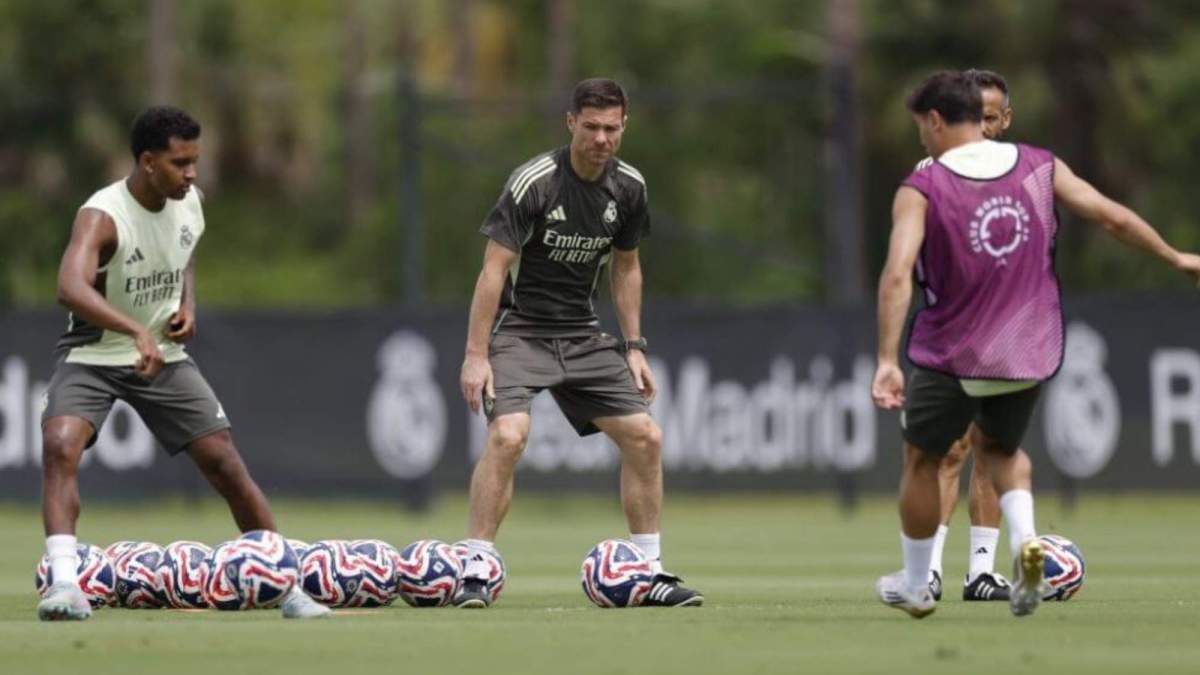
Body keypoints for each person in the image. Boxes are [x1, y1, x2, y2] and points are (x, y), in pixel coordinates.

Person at [872, 71, 1200, 619]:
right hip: (1029, 346)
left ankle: (918, 580)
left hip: (954, 348)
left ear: (934, 121)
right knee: (1003, 453)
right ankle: (1026, 548)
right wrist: (1176, 257)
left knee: (922, 457)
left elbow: (897, 275)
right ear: (980, 118)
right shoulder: (1040, 166)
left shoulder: (925, 184)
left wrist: (886, 359)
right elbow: (1111, 216)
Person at [36, 106, 328, 621]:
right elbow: (69, 287)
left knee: (225, 463)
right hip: (94, 353)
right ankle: (64, 586)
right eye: (179, 163)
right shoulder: (103, 215)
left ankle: (289, 587)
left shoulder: (190, 202)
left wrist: (186, 303)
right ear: (148, 162)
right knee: (61, 445)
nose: (192, 173)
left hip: (164, 355)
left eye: (195, 160)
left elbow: (184, 250)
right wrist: (132, 331)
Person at [455, 78, 702, 608]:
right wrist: (476, 356)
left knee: (646, 437)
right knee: (509, 436)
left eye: (611, 128)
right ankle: (475, 565)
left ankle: (646, 570)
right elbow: (493, 271)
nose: (601, 139)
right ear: (571, 123)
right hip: (520, 332)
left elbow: (627, 267)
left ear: (624, 126)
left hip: (583, 335)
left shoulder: (629, 187)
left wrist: (634, 345)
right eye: (590, 127)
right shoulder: (534, 183)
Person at [913, 69, 1016, 603]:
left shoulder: (1022, 169)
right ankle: (928, 568)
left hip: (1008, 328)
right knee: (948, 450)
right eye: (977, 118)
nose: (986, 128)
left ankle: (981, 572)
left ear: (1006, 118)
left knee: (992, 447)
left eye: (993, 118)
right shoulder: (933, 170)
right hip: (951, 329)